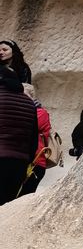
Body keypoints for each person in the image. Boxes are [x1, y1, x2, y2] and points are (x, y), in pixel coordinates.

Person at [0, 66, 38, 205]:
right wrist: (28, 160)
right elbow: (33, 136)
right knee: (6, 204)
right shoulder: (29, 102)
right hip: (19, 162)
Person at [18, 83, 52, 195]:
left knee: (23, 196)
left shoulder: (41, 113)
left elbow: (25, 127)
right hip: (26, 160)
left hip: (36, 162)